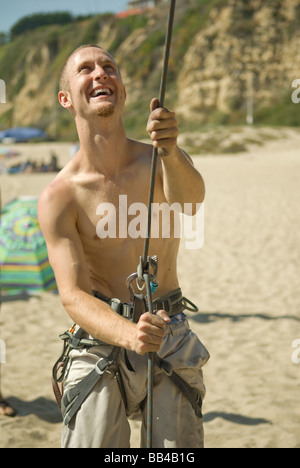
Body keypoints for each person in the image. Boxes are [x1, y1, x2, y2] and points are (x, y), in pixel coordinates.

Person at [38, 44, 209, 448]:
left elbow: (191, 200)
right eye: (85, 69)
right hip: (99, 339)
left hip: (168, 328)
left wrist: (169, 149)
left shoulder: (160, 160)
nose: (100, 74)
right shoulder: (60, 195)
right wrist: (130, 334)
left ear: (123, 91)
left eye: (108, 67)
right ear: (66, 98)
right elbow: (73, 294)